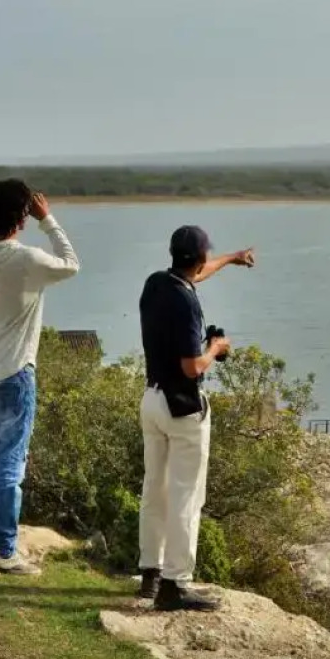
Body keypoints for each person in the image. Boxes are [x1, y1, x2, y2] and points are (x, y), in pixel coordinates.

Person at [137, 225, 255, 610]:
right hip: (182, 407)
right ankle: (176, 584)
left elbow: (197, 274)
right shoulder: (187, 304)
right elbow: (191, 367)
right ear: (200, 257)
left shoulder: (156, 284)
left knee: (154, 489)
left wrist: (232, 258)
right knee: (187, 496)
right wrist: (215, 347)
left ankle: (150, 574)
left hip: (152, 399)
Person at [0, 179, 80, 575]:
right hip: (15, 372)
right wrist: (48, 220)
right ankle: (3, 548)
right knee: (9, 467)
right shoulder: (28, 260)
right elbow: (71, 263)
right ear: (23, 216)